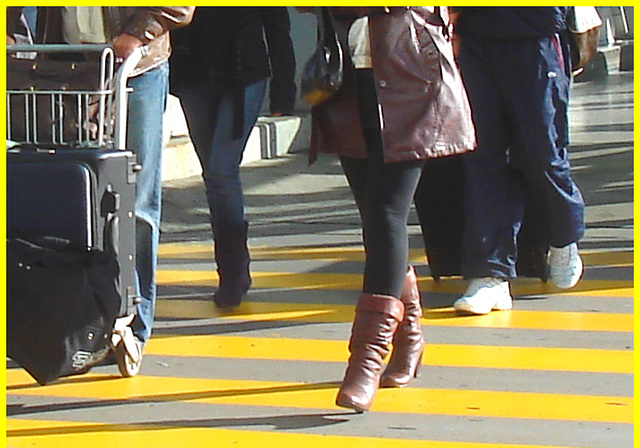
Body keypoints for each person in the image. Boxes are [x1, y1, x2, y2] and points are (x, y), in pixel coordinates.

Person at [298, 7, 476, 412]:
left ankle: (366, 359)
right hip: (346, 83)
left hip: (411, 79)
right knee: (374, 220)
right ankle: (409, 335)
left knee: (386, 213)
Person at [6, 7, 195, 373]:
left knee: (135, 202)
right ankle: (80, 320)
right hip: (68, 70)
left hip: (135, 68)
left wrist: (140, 34)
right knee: (74, 202)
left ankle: (134, 323)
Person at [450, 7, 585, 316]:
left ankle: (564, 235)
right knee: (482, 156)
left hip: (535, 34)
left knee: (542, 153)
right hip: (477, 34)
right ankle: (489, 274)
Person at [170, 7, 297, 308]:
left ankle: (232, 274)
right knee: (214, 176)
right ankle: (234, 271)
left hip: (244, 74)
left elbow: (277, 24)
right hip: (193, 75)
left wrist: (284, 89)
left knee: (220, 173)